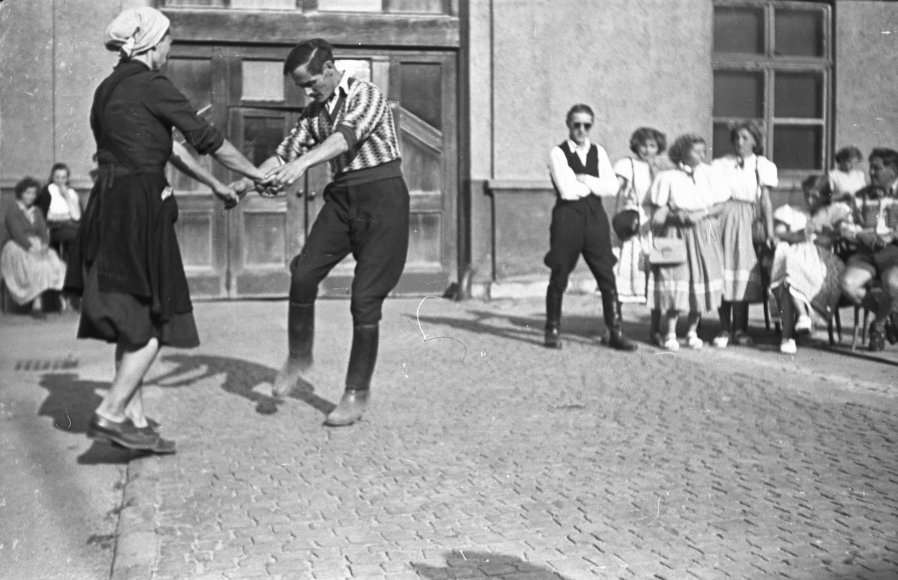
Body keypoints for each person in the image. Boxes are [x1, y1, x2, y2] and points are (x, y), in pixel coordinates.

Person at [64, 7, 265, 453]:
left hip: (107, 207)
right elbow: (205, 138)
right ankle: (112, 413)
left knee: (133, 318)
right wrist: (256, 173)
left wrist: (214, 185)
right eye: (170, 42)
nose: (171, 50)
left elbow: (167, 145)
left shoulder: (107, 89)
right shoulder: (152, 85)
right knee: (156, 322)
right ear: (153, 43)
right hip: (140, 209)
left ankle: (133, 423)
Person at [236, 38, 411, 427]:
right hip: (343, 202)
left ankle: (355, 393)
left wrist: (302, 167)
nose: (308, 91)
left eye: (312, 82)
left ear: (330, 68)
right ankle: (299, 355)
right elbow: (284, 153)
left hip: (383, 201)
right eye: (303, 87)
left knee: (364, 300)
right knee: (303, 272)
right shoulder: (315, 111)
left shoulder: (366, 93)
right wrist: (246, 182)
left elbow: (345, 138)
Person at [542, 104, 636, 352]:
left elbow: (612, 188)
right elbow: (567, 190)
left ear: (591, 126)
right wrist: (594, 184)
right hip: (567, 218)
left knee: (606, 274)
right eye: (576, 124)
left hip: (595, 218)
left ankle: (615, 330)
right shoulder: (558, 153)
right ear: (568, 124)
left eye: (586, 125)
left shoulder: (599, 152)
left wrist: (585, 179)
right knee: (560, 272)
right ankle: (552, 328)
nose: (581, 130)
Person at [647, 134, 726, 351]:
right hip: (676, 233)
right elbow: (657, 212)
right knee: (676, 279)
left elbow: (721, 205)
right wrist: (674, 215)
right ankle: (670, 332)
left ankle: (692, 331)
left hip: (705, 230)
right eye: (696, 151)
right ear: (682, 152)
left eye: (704, 150)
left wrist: (702, 214)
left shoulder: (709, 174)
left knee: (700, 279)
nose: (703, 154)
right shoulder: (667, 177)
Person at [710, 121, 777, 348]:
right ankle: (723, 328)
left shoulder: (762, 165)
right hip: (723, 217)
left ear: (755, 141)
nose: (740, 142)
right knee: (722, 272)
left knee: (742, 274)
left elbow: (765, 201)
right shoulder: (720, 164)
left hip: (748, 220)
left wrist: (770, 231)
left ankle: (740, 329)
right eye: (737, 137)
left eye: (745, 138)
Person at [768, 176, 851, 354]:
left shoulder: (836, 211)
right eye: (807, 195)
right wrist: (799, 235)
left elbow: (843, 231)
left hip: (823, 262)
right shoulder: (793, 212)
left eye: (814, 196)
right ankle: (800, 321)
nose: (809, 200)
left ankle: (788, 335)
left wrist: (827, 232)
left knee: (789, 268)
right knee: (787, 267)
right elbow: (779, 234)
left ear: (825, 195)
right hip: (797, 259)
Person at [839, 148, 898, 351]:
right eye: (870, 168)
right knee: (847, 285)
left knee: (893, 284)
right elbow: (845, 225)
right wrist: (861, 234)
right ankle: (889, 314)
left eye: (877, 168)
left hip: (894, 254)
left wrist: (892, 235)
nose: (871, 172)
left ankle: (879, 326)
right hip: (867, 253)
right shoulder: (861, 196)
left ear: (893, 170)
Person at [613, 127, 667, 344]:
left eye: (652, 145)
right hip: (632, 224)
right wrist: (618, 221)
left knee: (654, 279)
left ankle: (655, 330)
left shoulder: (661, 169)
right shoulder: (627, 165)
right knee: (621, 274)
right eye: (643, 145)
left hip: (653, 225)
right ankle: (614, 327)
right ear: (636, 145)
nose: (647, 150)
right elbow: (617, 192)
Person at [1, 177, 67, 317]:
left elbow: (43, 231)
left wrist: (44, 245)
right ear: (21, 193)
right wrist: (31, 249)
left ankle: (56, 301)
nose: (30, 196)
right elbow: (16, 233)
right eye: (27, 193)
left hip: (37, 243)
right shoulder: (13, 210)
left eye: (33, 193)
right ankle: (37, 304)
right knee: (34, 265)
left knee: (54, 263)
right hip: (17, 245)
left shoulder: (36, 211)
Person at [35, 162, 83, 256]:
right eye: (57, 177)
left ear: (67, 178)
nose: (60, 180)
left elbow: (77, 216)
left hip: (72, 225)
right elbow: (47, 216)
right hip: (54, 227)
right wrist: (66, 216)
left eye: (63, 177)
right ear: (52, 177)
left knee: (83, 234)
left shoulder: (71, 192)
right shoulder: (46, 191)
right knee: (75, 236)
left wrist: (67, 196)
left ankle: (70, 266)